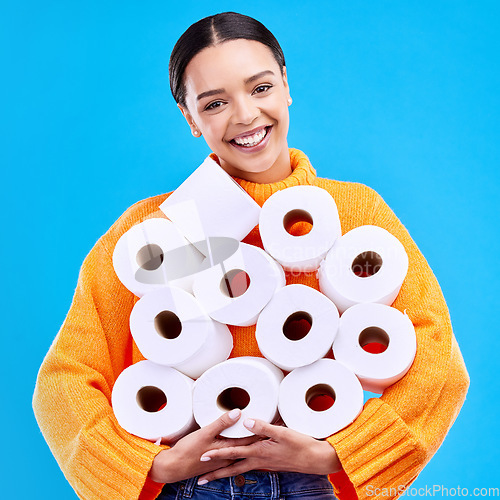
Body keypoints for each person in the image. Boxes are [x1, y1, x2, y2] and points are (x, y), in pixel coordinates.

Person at [33, 11, 469, 500]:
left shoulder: (353, 212)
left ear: (286, 86)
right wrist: (151, 465)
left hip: (310, 485)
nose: (244, 116)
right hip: (193, 488)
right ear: (190, 118)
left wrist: (341, 453)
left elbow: (437, 355)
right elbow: (64, 378)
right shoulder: (154, 230)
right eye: (215, 102)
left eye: (260, 88)